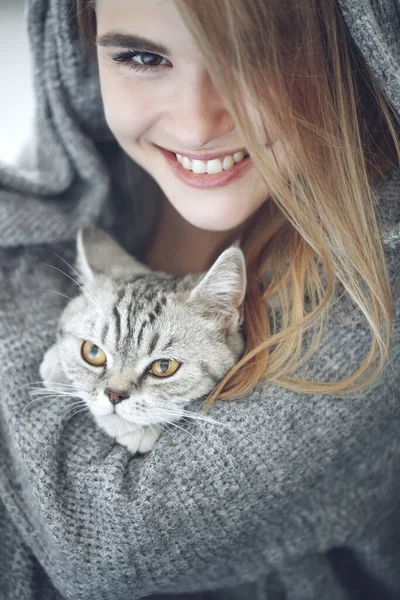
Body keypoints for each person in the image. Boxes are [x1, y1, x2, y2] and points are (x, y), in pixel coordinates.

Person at [0, 0, 399, 598]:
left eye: (249, 58)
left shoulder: (376, 293)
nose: (195, 124)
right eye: (141, 56)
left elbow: (105, 547)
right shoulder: (87, 179)